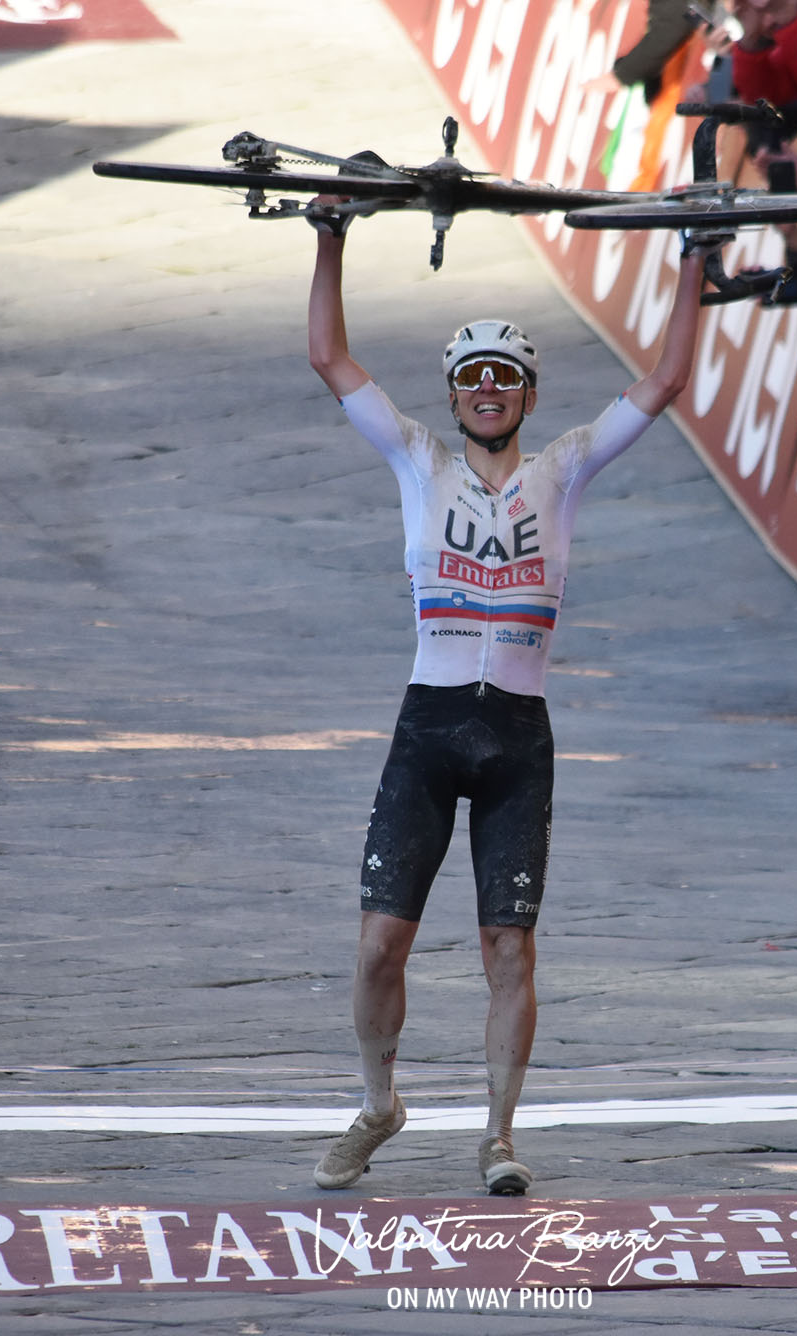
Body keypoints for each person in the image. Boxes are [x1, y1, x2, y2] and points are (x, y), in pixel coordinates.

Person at [304, 201, 716, 1196]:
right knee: (375, 946)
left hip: (516, 734)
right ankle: (376, 1105)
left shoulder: (562, 468)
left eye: (505, 378)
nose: (487, 391)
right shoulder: (417, 457)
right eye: (471, 378)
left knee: (507, 946)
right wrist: (329, 235)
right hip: (430, 721)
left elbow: (662, 381)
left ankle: (497, 1135)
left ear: (527, 394)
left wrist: (696, 256)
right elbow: (328, 357)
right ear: (451, 394)